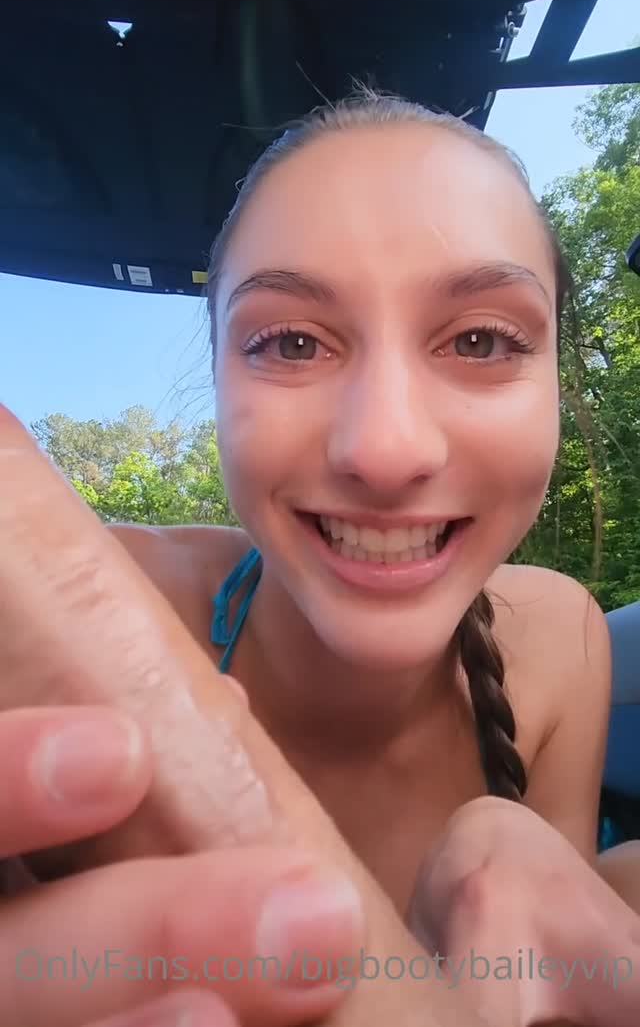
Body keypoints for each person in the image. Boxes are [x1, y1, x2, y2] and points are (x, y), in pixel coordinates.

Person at [2, 87, 640, 1027]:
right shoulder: (96, 609)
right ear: (217, 379)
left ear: (554, 382)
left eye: (479, 340)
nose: (384, 449)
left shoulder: (562, 643)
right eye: (292, 343)